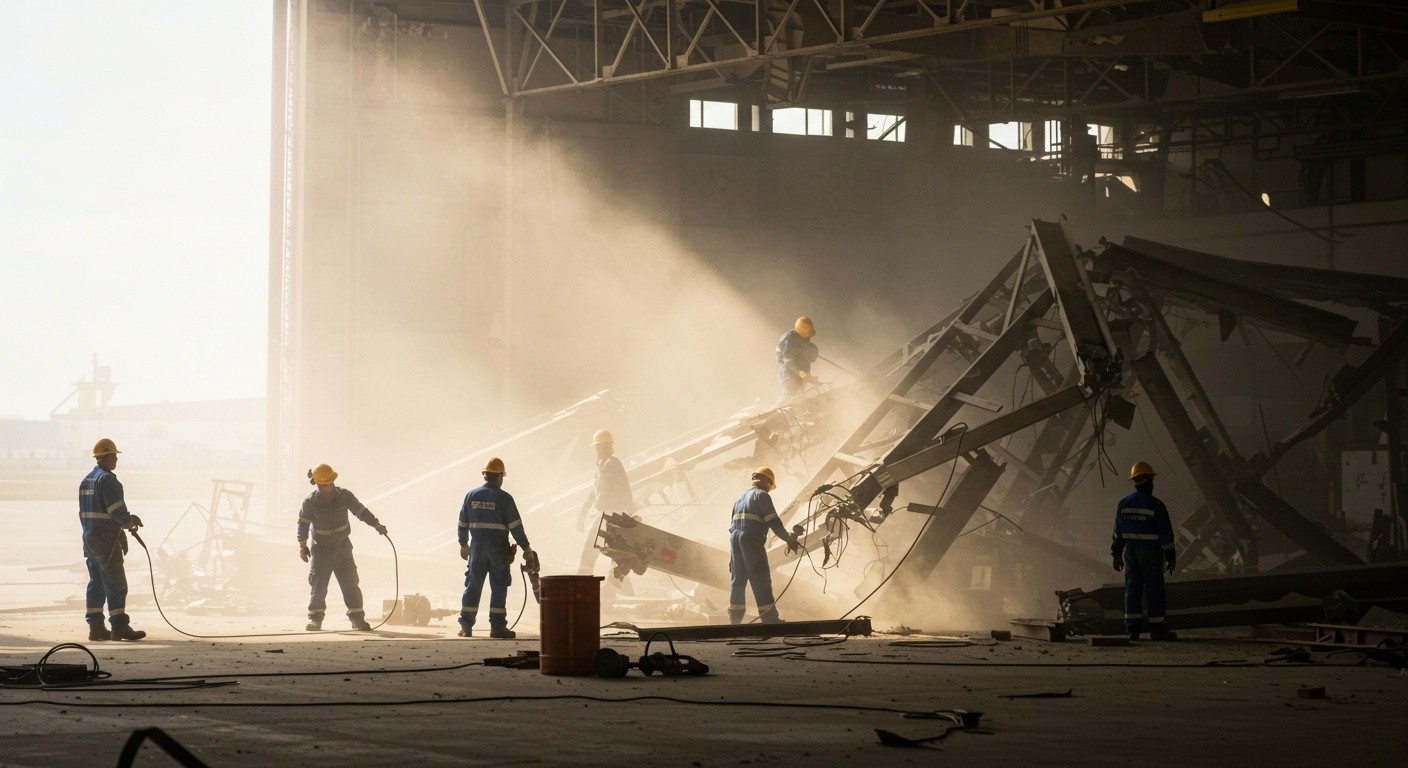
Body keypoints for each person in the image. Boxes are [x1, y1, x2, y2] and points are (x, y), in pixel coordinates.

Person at [297, 463, 387, 631]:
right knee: (318, 584)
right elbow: (303, 524)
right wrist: (302, 546)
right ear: (317, 485)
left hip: (342, 547)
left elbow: (361, 512)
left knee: (350, 582)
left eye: (330, 484)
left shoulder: (345, 496)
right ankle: (315, 619)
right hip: (321, 548)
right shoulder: (310, 501)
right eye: (324, 485)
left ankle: (357, 618)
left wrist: (377, 524)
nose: (328, 488)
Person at [80, 438, 147, 641]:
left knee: (96, 582)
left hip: (89, 537)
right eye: (114, 456)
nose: (116, 459)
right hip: (106, 539)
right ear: (105, 457)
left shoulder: (86, 481)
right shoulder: (108, 480)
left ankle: (96, 627)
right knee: (116, 582)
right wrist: (129, 521)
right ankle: (119, 627)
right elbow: (116, 510)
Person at [458, 457, 533, 638]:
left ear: (485, 475)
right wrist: (526, 548)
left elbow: (462, 522)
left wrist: (463, 543)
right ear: (499, 476)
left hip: (476, 549)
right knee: (499, 586)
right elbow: (516, 526)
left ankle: (466, 626)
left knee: (473, 585)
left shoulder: (471, 496)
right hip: (497, 549)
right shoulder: (505, 499)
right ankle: (497, 627)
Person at [1112, 461, 1177, 641]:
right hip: (1151, 552)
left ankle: (1133, 630)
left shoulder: (1123, 504)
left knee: (1132, 589)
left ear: (1135, 480)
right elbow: (1166, 534)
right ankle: (1157, 629)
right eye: (1151, 479)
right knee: (1154, 589)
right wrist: (1171, 556)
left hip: (1130, 552)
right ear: (1148, 480)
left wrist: (1116, 554)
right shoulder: (1156, 505)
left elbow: (1118, 532)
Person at [727, 467, 801, 624]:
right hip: (751, 539)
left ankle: (734, 621)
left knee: (738, 580)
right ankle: (769, 619)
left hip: (735, 542)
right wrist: (788, 539)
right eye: (770, 485)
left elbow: (732, 527)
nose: (770, 489)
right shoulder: (762, 496)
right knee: (760, 577)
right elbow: (773, 521)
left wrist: (732, 558)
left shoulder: (740, 498)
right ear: (767, 481)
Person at [579, 429, 635, 571]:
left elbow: (624, 486)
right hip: (606, 514)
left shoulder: (612, 463)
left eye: (597, 447)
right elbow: (595, 492)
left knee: (589, 551)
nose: (596, 450)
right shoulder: (602, 466)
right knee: (616, 556)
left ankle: (581, 587)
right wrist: (582, 514)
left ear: (605, 446)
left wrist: (630, 510)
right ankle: (621, 590)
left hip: (609, 514)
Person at [775, 316, 819, 399]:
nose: (808, 337)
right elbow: (788, 362)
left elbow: (809, 357)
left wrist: (813, 351)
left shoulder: (803, 337)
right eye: (806, 335)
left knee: (801, 393)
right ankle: (777, 409)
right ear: (801, 332)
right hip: (788, 370)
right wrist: (802, 374)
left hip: (800, 365)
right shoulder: (788, 340)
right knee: (790, 393)